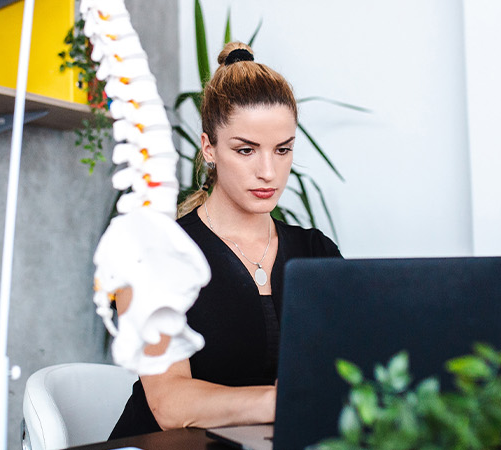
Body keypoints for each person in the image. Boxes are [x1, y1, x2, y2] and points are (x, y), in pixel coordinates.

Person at [108, 41, 342, 439]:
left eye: (282, 150)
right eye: (246, 150)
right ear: (209, 148)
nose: (268, 171)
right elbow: (170, 403)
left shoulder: (317, 253)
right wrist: (280, 402)